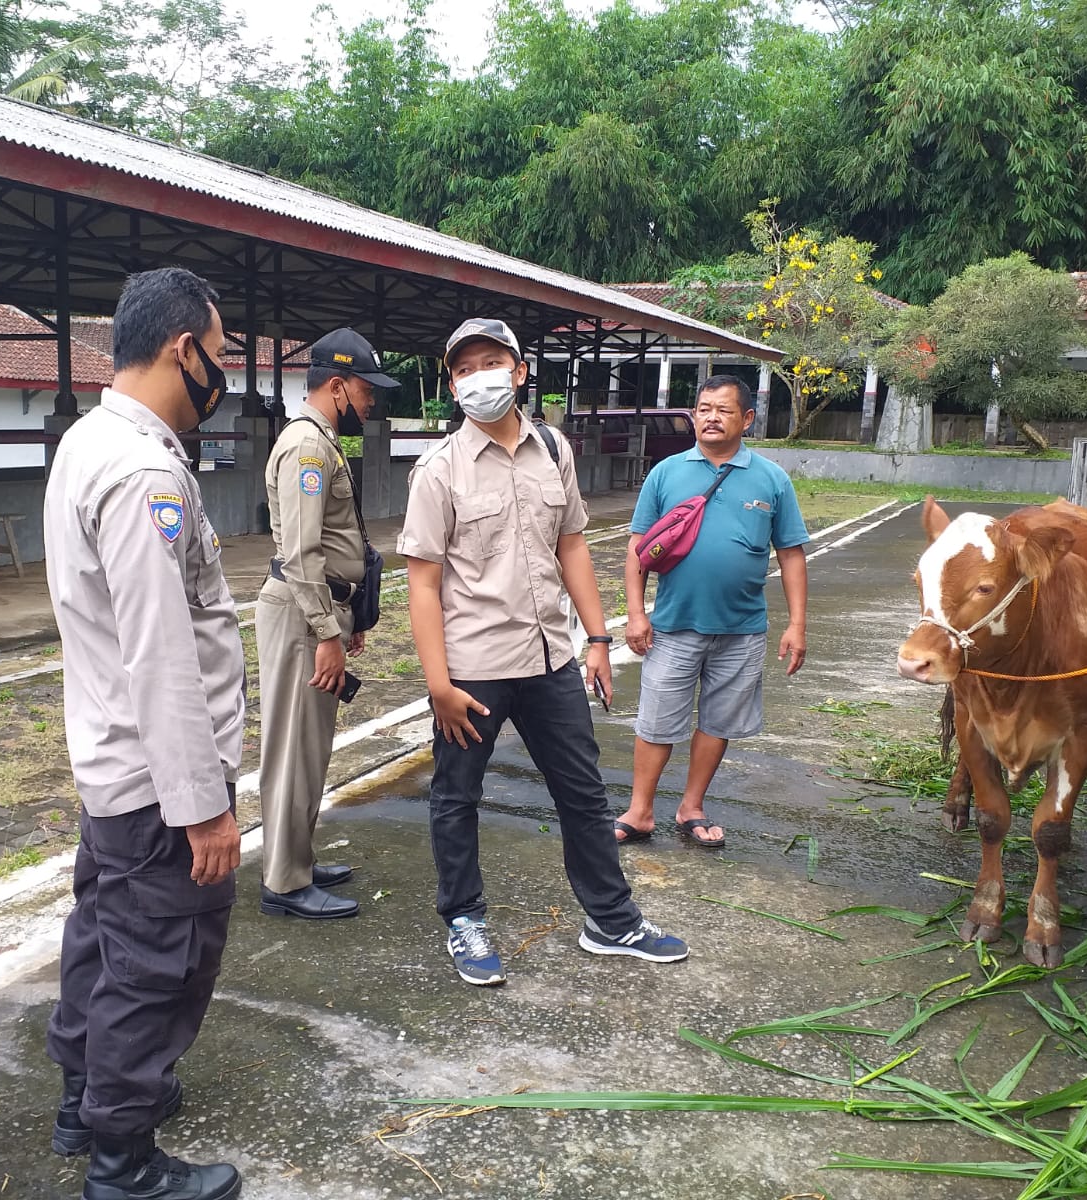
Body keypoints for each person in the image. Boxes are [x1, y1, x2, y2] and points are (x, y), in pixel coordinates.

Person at [398, 317, 690, 988]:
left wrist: (596, 638)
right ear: (452, 384)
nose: (479, 377)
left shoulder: (554, 450)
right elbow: (422, 584)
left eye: (490, 362)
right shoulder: (439, 472)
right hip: (472, 667)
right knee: (456, 797)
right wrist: (438, 685)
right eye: (464, 368)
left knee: (584, 793)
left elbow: (573, 546)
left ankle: (611, 921)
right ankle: (465, 920)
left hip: (550, 656)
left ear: (521, 371)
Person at [42, 267, 243, 1200]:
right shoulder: (145, 471)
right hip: (160, 782)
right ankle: (124, 1163)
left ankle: (84, 1104)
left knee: (105, 937)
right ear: (181, 348)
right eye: (221, 349)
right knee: (158, 963)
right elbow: (163, 655)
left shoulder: (89, 441)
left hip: (116, 767)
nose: (224, 368)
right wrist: (203, 808)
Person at [614, 374, 810, 847]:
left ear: (746, 419)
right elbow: (638, 547)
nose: (711, 417)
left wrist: (797, 624)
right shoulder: (667, 472)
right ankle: (640, 812)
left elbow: (790, 554)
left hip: (742, 628)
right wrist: (636, 614)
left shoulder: (771, 479)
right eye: (703, 408)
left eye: (723, 410)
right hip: (673, 625)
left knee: (718, 722)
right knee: (657, 720)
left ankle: (691, 807)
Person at [256, 328, 399, 920]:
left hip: (317, 609)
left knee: (310, 747)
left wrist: (350, 614)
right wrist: (327, 631)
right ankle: (285, 882)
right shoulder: (307, 449)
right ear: (337, 387)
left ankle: (297, 857)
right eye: (367, 391)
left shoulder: (322, 442)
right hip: (300, 612)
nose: (372, 403)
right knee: (293, 747)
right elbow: (302, 552)